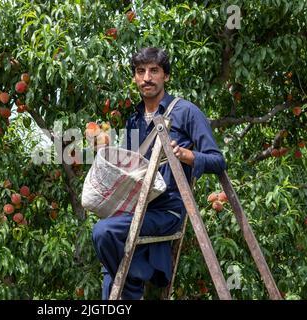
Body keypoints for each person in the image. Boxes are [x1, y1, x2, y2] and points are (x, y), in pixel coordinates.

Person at [91, 47, 227, 300]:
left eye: (154, 71)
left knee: (104, 232)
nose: (147, 78)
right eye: (140, 72)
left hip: (168, 210)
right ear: (134, 78)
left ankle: (131, 286)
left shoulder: (186, 112)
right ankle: (131, 285)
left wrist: (186, 155)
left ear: (166, 76)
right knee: (110, 265)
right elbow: (132, 172)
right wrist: (106, 153)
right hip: (136, 207)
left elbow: (218, 161)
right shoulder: (133, 121)